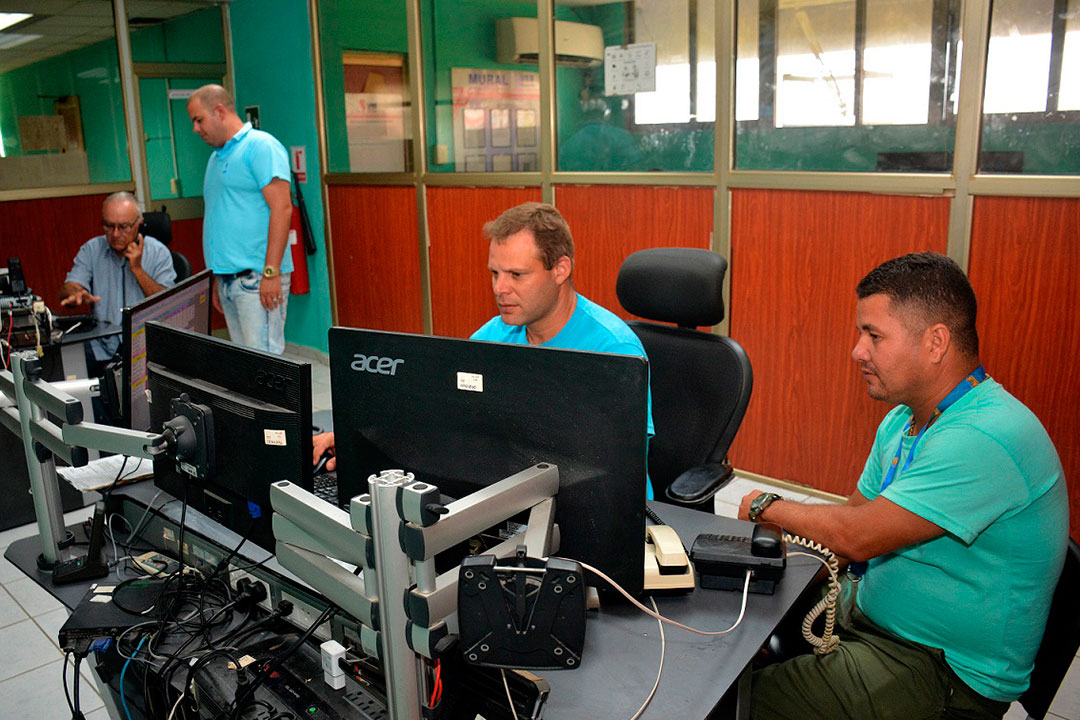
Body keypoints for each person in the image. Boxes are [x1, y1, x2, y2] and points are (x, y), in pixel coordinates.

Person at [739, 252, 1068, 720]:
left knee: (737, 701)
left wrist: (765, 505)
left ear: (936, 342)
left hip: (941, 672)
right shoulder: (906, 421)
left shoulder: (986, 436)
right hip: (876, 623)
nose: (858, 350)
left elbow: (856, 535)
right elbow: (844, 536)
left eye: (874, 335)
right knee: (739, 632)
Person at [313, 202, 655, 496]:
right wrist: (356, 439)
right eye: (495, 273)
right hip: (513, 498)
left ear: (560, 270)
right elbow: (439, 412)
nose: (499, 288)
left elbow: (617, 467)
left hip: (599, 512)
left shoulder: (613, 351)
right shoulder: (494, 336)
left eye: (517, 275)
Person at [187, 84, 292, 354]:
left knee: (265, 367)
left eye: (199, 120)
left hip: (258, 278)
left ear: (219, 111)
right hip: (227, 281)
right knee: (245, 367)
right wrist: (216, 281)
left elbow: (282, 209)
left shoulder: (261, 147)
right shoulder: (215, 158)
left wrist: (271, 273)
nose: (195, 129)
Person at [61, 191, 176, 372]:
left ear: (139, 224)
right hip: (102, 347)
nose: (115, 234)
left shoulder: (158, 252)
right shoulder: (92, 249)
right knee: (66, 362)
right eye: (109, 226)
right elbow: (71, 285)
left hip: (145, 348)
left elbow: (167, 305)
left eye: (123, 227)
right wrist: (75, 292)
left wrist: (138, 270)